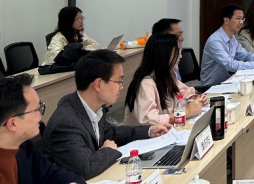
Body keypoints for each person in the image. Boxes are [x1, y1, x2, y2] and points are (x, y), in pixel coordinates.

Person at [42, 50, 170, 179]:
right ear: (99, 84)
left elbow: (110, 133)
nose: (121, 87)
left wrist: (149, 131)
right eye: (119, 81)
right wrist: (108, 150)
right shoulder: (66, 123)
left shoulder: (92, 106)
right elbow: (86, 168)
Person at [0, 74, 85, 184]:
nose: (40, 115)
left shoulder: (24, 147)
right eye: (37, 109)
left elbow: (53, 173)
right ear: (13, 124)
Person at [123, 33, 209, 126]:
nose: (180, 56)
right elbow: (148, 120)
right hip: (145, 134)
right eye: (176, 53)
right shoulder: (146, 84)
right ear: (164, 55)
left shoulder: (168, 75)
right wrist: (186, 113)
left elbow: (183, 93)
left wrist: (193, 99)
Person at [201, 4, 254, 86]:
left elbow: (245, 55)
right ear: (226, 20)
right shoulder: (215, 41)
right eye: (238, 19)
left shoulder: (232, 38)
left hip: (228, 82)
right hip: (211, 87)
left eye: (242, 19)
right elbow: (230, 65)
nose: (241, 22)